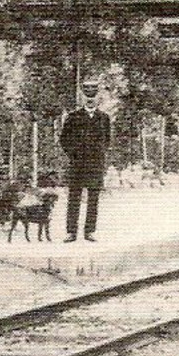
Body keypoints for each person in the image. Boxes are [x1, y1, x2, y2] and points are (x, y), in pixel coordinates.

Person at [60, 78, 112, 242]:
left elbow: (107, 140)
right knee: (74, 198)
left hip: (95, 164)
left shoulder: (104, 118)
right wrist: (73, 154)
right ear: (82, 97)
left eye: (94, 95)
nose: (90, 99)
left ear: (98, 98)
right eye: (87, 95)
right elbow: (64, 139)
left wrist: (100, 155)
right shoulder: (73, 117)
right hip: (77, 164)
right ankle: (71, 232)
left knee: (93, 199)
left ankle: (89, 231)